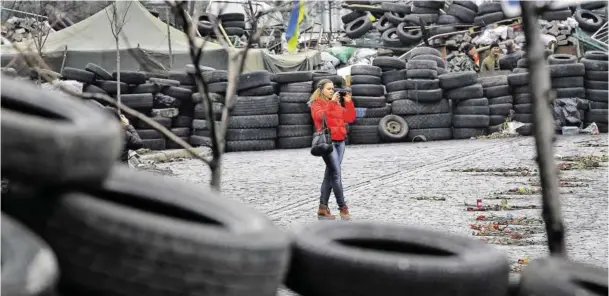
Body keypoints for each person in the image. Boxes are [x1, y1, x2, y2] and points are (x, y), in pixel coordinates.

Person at [308, 79, 356, 220]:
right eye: (329, 89)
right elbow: (321, 116)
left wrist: (348, 102)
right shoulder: (316, 103)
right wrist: (332, 103)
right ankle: (343, 208)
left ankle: (323, 208)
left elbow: (350, 118)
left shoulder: (335, 104)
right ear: (321, 89)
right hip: (328, 143)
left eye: (333, 89)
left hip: (340, 143)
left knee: (330, 175)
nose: (332, 91)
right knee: (335, 175)